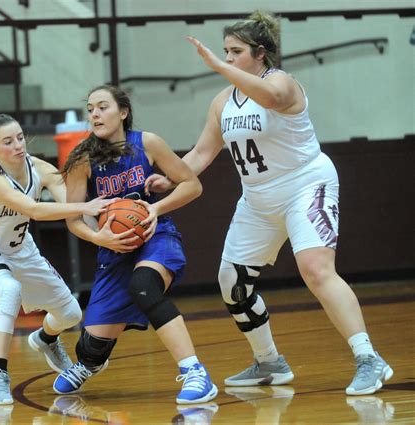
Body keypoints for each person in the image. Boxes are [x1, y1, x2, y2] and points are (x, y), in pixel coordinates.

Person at [145, 11, 392, 396]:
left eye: (235, 51)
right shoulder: (222, 101)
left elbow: (271, 97)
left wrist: (214, 65)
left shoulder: (282, 83)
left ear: (260, 54)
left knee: (316, 270)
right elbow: (201, 153)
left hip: (305, 184)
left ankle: (368, 358)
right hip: (258, 198)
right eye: (224, 51)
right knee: (231, 283)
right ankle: (269, 362)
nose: (227, 58)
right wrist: (171, 175)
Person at [52, 85, 217, 405]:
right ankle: (90, 363)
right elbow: (72, 219)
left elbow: (192, 185)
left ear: (123, 112)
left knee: (144, 285)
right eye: (90, 109)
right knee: (90, 346)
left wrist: (155, 208)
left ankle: (195, 371)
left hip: (157, 237)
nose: (95, 114)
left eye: (102, 107)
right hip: (113, 249)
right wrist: (98, 237)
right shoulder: (82, 159)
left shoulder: (148, 143)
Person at [0, 114, 110, 405]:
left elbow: (71, 206)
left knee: (70, 314)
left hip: (23, 251)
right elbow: (35, 210)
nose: (18, 145)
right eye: (8, 141)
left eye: (19, 137)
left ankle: (46, 338)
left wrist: (103, 226)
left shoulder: (39, 168)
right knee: (10, 291)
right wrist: (86, 205)